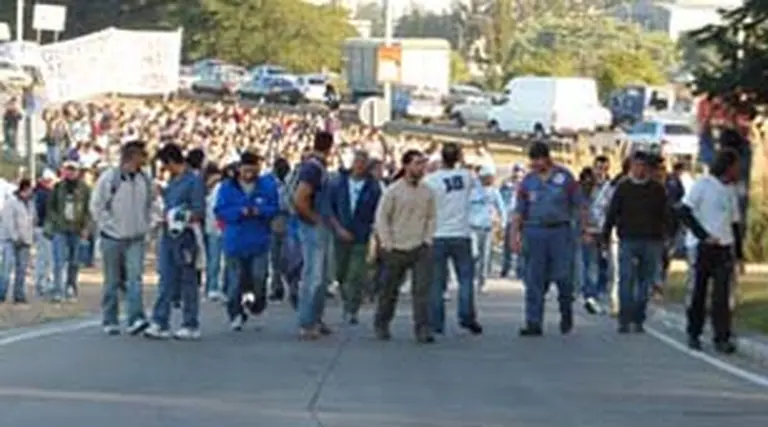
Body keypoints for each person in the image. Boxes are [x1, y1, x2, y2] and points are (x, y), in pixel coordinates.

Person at [510, 142, 583, 336]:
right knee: (534, 278)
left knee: (564, 277)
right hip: (534, 231)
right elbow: (519, 211)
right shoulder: (528, 181)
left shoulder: (564, 177)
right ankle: (533, 321)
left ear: (547, 158)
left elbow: (579, 206)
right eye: (532, 161)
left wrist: (584, 230)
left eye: (538, 160)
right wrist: (514, 236)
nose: (535, 164)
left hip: (560, 232)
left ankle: (566, 311)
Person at [677, 149, 742, 354]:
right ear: (727, 166)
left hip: (724, 247)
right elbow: (684, 212)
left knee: (722, 296)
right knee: (700, 292)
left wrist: (738, 253)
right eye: (735, 167)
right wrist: (703, 235)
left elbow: (734, 224)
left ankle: (721, 337)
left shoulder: (730, 190)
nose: (737, 171)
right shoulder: (703, 185)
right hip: (705, 246)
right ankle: (694, 333)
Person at [89, 140, 154, 335]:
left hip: (136, 236)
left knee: (135, 279)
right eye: (141, 156)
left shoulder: (144, 179)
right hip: (113, 237)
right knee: (112, 280)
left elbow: (151, 204)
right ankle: (110, 319)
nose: (144, 160)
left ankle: (136, 317)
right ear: (132, 157)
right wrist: (108, 225)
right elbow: (96, 205)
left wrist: (148, 224)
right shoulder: (110, 179)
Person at [144, 143, 206, 340]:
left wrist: (180, 216)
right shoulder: (173, 181)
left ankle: (190, 323)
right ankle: (160, 320)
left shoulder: (193, 181)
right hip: (168, 235)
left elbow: (199, 210)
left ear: (171, 161)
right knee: (166, 278)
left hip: (185, 236)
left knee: (188, 280)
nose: (165, 169)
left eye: (165, 164)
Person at [373, 149, 436, 343]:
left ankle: (422, 328)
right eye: (417, 163)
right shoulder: (393, 191)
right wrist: (386, 242)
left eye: (423, 164)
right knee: (389, 290)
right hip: (396, 247)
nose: (421, 168)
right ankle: (382, 323)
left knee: (422, 290)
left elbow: (431, 217)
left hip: (420, 247)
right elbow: (382, 217)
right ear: (407, 165)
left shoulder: (428, 191)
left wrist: (428, 239)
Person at [602, 152, 668, 333]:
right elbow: (612, 213)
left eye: (643, 166)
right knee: (626, 278)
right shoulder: (623, 188)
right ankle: (624, 318)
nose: (640, 169)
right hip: (628, 239)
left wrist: (666, 236)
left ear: (648, 168)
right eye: (636, 165)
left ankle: (638, 317)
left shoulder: (657, 189)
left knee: (645, 281)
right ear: (631, 167)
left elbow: (666, 214)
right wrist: (605, 235)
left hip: (651, 240)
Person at [424, 143, 483, 336]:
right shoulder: (466, 177)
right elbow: (477, 184)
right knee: (465, 279)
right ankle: (467, 316)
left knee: (436, 282)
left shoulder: (431, 180)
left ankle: (435, 322)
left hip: (438, 234)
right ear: (458, 157)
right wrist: (464, 162)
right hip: (461, 233)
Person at [215, 152, 279, 331]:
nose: (249, 174)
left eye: (253, 170)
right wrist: (240, 212)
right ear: (239, 169)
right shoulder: (227, 187)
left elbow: (274, 207)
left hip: (259, 240)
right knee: (234, 282)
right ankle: (235, 313)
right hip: (235, 241)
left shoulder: (267, 186)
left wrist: (259, 211)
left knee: (259, 277)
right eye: (246, 170)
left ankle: (258, 302)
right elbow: (220, 210)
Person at [327, 150, 382, 325]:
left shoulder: (373, 187)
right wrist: (337, 228)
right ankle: (346, 298)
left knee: (355, 274)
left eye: (362, 162)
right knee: (341, 272)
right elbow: (329, 208)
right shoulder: (338, 183)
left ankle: (352, 309)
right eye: (356, 161)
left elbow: (377, 211)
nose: (359, 165)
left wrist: (375, 232)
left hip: (361, 235)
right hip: (340, 233)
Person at [293, 131, 335, 340]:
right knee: (313, 276)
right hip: (312, 226)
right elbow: (300, 198)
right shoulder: (313, 169)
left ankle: (315, 318)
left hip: (317, 224)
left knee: (321, 275)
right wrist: (314, 218)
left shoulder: (315, 167)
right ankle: (307, 321)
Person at [45, 160, 91, 302]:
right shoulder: (58, 187)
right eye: (67, 170)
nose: (70, 173)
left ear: (78, 172)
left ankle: (71, 287)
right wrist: (56, 220)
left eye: (73, 170)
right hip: (60, 228)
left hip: (77, 229)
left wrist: (86, 227)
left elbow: (89, 210)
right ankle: (57, 290)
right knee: (58, 260)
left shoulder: (85, 189)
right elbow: (50, 207)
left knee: (74, 261)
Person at [468, 165, 506, 293]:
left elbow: (501, 208)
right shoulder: (472, 191)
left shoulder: (494, 192)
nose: (490, 180)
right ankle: (469, 279)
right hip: (472, 227)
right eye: (487, 177)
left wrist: (503, 223)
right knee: (474, 255)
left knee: (485, 257)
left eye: (491, 177)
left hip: (487, 228)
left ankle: (482, 282)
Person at [0, 179, 35, 303]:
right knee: (6, 268)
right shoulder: (11, 202)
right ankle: (2, 293)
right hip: (10, 240)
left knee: (22, 269)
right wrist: (15, 237)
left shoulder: (30, 204)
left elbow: (31, 222)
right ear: (24, 189)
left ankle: (19, 294)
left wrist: (29, 239)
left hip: (25, 240)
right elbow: (8, 221)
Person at [267, 157, 292, 301]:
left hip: (288, 223)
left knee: (287, 259)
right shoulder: (271, 184)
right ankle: (277, 287)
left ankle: (289, 285)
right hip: (274, 222)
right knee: (275, 259)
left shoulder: (290, 183)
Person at [203, 163, 225, 301]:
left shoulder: (211, 188)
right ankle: (212, 287)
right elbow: (215, 208)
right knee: (215, 259)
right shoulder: (219, 188)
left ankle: (211, 287)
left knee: (213, 259)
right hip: (216, 227)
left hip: (212, 226)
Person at [33, 169, 57, 297]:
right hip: (45, 228)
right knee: (47, 258)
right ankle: (44, 284)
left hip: (40, 228)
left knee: (42, 258)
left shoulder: (37, 193)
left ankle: (41, 283)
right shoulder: (45, 194)